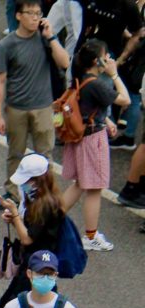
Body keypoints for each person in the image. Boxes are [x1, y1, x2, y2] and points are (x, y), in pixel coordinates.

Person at [0, 0, 69, 207]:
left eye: (38, 13)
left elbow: (64, 62)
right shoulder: (8, 45)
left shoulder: (45, 39)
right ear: (18, 15)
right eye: (30, 13)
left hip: (43, 107)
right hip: (16, 107)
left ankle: (46, 194)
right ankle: (12, 193)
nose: (35, 17)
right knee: (15, 153)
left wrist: (51, 37)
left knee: (45, 154)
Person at [61, 40, 128, 252]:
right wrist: (114, 74)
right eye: (105, 55)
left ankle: (50, 220)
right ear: (96, 60)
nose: (108, 58)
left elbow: (87, 106)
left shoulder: (81, 79)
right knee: (94, 188)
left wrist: (105, 120)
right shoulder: (98, 83)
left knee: (80, 183)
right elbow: (125, 100)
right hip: (93, 140)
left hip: (82, 136)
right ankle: (91, 236)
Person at [0, 155, 66, 308]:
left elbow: (27, 238)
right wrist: (14, 219)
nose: (23, 185)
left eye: (27, 181)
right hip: (32, 264)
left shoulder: (46, 205)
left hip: (38, 266)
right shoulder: (36, 198)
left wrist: (14, 215)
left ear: (38, 180)